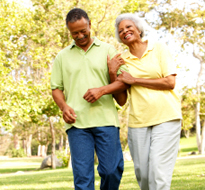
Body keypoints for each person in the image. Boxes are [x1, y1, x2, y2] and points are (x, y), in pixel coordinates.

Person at [50, 8, 129, 190]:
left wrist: (102, 90)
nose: (79, 36)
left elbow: (124, 82)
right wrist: (63, 107)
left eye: (82, 31)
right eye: (74, 33)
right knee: (83, 178)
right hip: (77, 124)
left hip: (106, 120)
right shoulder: (62, 57)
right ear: (69, 31)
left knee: (112, 170)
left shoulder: (108, 50)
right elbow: (56, 89)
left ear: (90, 25)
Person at [107, 13, 182, 190]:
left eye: (128, 27)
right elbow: (122, 100)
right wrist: (112, 74)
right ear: (120, 38)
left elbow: (169, 82)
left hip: (166, 116)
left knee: (158, 170)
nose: (125, 31)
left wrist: (135, 80)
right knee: (143, 173)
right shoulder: (122, 60)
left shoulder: (158, 48)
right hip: (138, 121)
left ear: (139, 29)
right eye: (121, 31)